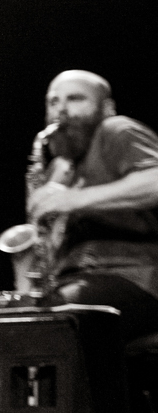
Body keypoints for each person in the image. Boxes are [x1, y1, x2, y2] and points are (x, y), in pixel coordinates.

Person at [28, 70, 158, 340]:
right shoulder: (59, 169)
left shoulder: (116, 130)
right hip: (71, 283)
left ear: (106, 107)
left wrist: (73, 199)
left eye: (75, 99)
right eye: (53, 102)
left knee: (56, 319)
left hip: (135, 277)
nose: (60, 110)